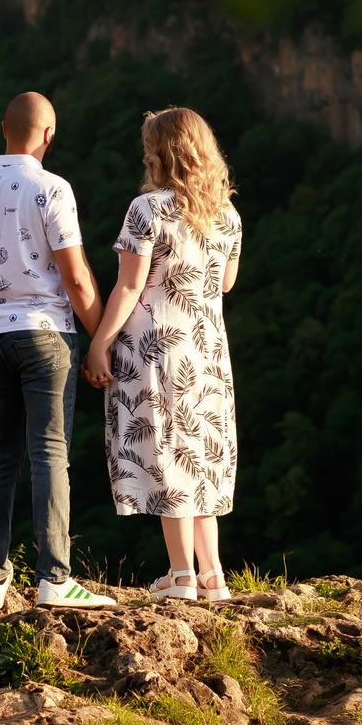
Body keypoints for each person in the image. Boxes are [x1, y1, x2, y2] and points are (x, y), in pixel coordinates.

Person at [0, 91, 119, 613]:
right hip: (45, 335)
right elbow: (77, 276)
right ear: (48, 135)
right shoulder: (52, 189)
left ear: (3, 129)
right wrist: (103, 336)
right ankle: (54, 579)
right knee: (49, 453)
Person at [82, 107, 243, 602]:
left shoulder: (146, 210)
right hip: (208, 348)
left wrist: (99, 342)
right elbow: (226, 283)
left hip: (157, 346)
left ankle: (181, 576)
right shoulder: (229, 216)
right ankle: (213, 574)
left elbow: (129, 287)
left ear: (162, 153)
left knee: (170, 452)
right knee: (200, 453)